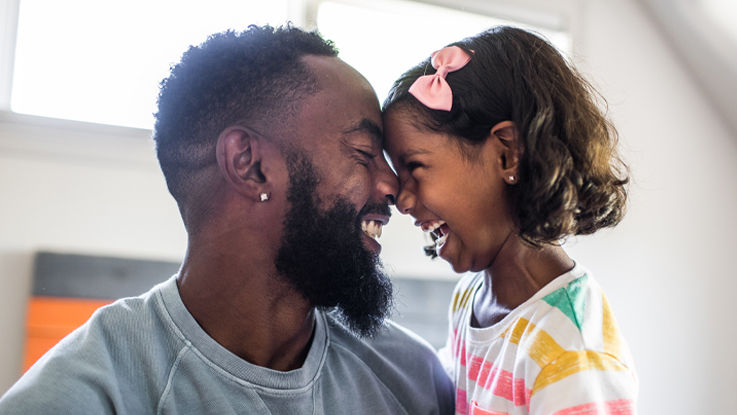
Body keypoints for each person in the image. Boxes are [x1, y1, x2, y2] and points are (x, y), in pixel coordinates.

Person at [0, 25, 454, 414]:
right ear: (250, 164)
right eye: (362, 153)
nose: (393, 187)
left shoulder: (413, 380)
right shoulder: (84, 398)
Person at [382, 26, 638, 414]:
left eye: (415, 167)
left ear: (508, 154)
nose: (401, 199)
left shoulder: (569, 353)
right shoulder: (471, 296)